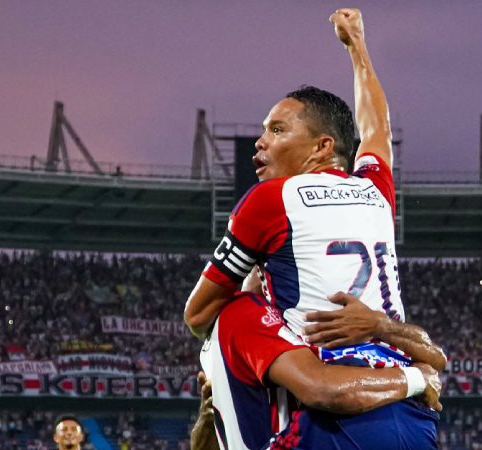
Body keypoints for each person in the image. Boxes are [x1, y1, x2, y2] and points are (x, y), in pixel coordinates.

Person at [185, 8, 445, 449]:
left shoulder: (270, 199)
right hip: (412, 417)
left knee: (226, 332)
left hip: (332, 416)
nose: (260, 141)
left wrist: (248, 317)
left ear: (322, 146)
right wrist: (357, 47)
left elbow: (198, 314)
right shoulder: (376, 189)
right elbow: (375, 127)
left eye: (277, 129)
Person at [191, 293, 442, 450]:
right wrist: (416, 378)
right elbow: (324, 390)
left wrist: (380, 325)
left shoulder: (355, 316)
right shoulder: (245, 315)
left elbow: (438, 358)